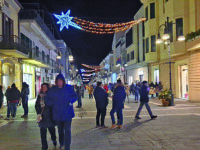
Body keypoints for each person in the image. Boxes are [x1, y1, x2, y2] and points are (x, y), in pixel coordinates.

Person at [45, 74, 77, 150]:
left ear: (63, 81)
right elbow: (47, 99)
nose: (59, 82)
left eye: (61, 81)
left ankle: (67, 146)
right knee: (60, 131)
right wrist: (53, 103)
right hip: (57, 114)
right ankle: (62, 143)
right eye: (58, 81)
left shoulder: (68, 88)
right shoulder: (53, 90)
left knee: (67, 130)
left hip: (67, 114)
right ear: (56, 82)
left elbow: (75, 96)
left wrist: (70, 101)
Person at [35, 83, 57, 150]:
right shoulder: (39, 96)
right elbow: (37, 105)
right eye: (42, 87)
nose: (44, 88)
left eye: (45, 87)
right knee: (42, 133)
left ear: (47, 88)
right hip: (42, 117)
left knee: (52, 131)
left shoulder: (50, 95)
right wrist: (38, 113)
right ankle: (44, 146)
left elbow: (54, 105)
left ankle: (54, 140)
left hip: (50, 116)